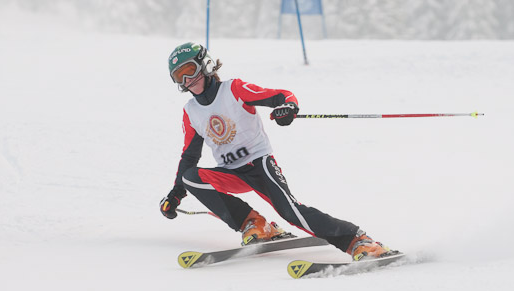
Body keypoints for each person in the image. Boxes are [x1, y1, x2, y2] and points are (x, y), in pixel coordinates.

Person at [160, 42, 395, 261]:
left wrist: (288, 108)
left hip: (259, 164)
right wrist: (176, 194)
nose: (187, 79)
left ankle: (359, 241)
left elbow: (282, 96)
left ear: (205, 64)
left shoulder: (233, 89)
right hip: (230, 172)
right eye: (179, 76)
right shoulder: (191, 111)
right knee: (190, 177)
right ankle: (254, 224)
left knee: (290, 211)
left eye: (190, 70)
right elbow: (189, 156)